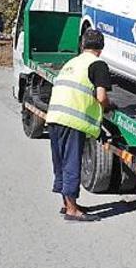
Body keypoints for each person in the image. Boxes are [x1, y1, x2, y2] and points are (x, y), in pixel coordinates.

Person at [45, 29, 113, 222]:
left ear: (83, 45)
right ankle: (72, 211)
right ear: (101, 48)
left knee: (60, 163)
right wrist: (108, 107)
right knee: (72, 163)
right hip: (72, 121)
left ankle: (66, 203)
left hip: (54, 117)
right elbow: (101, 97)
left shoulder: (72, 63)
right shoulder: (98, 64)